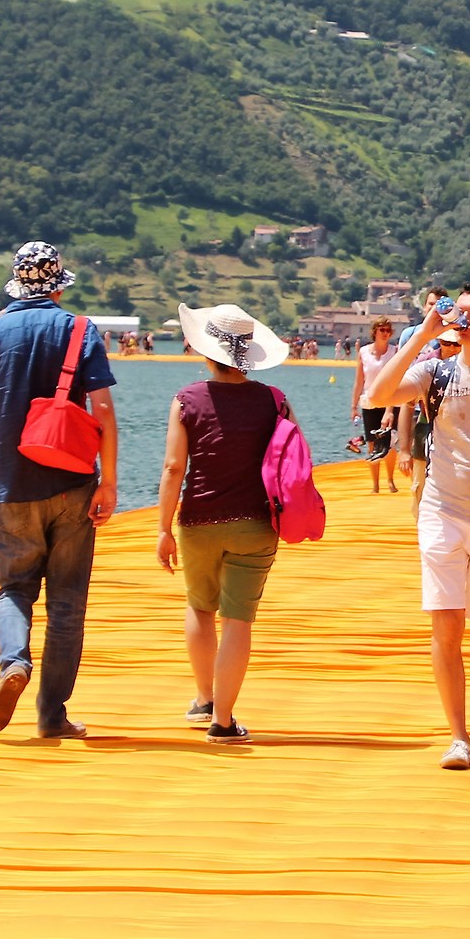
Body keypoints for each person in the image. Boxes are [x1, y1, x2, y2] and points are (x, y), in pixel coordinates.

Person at [0, 241, 118, 739]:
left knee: (15, 587)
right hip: (73, 482)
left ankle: (14, 664)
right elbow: (103, 410)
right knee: (67, 600)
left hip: (13, 486)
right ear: (59, 287)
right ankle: (52, 716)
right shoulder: (79, 330)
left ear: (16, 286)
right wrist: (109, 482)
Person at [367, 284, 470, 769]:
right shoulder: (435, 372)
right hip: (442, 512)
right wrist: (423, 335)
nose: (464, 320)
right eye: (459, 312)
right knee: (446, 626)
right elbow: (377, 395)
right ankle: (457, 737)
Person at [155, 304, 290, 743]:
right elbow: (290, 460)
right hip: (256, 522)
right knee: (238, 620)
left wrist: (163, 528)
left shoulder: (186, 399)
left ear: (207, 351)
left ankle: (204, 698)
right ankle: (224, 721)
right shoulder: (274, 400)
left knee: (200, 606)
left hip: (198, 519)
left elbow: (174, 468)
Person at [351, 317, 401, 493]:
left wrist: (390, 409)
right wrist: (353, 406)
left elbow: (396, 381)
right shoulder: (364, 352)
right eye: (382, 330)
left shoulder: (395, 351)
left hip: (390, 401)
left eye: (388, 330)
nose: (385, 333)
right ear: (375, 332)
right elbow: (359, 381)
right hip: (369, 402)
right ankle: (375, 484)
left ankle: (390, 480)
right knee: (372, 443)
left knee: (389, 442)